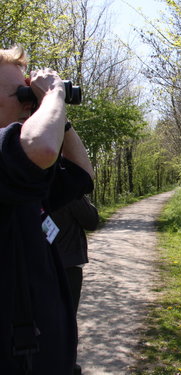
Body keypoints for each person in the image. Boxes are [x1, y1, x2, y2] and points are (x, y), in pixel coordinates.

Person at [0, 45, 94, 374]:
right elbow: (41, 147)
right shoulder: (10, 156)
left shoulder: (17, 172)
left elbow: (82, 174)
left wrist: (58, 116)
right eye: (21, 93)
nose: (29, 101)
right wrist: (54, 95)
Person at [51, 195, 99, 375]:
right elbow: (91, 220)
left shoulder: (32, 184)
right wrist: (84, 197)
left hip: (38, 261)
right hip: (68, 263)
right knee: (67, 318)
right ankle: (67, 365)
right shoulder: (67, 189)